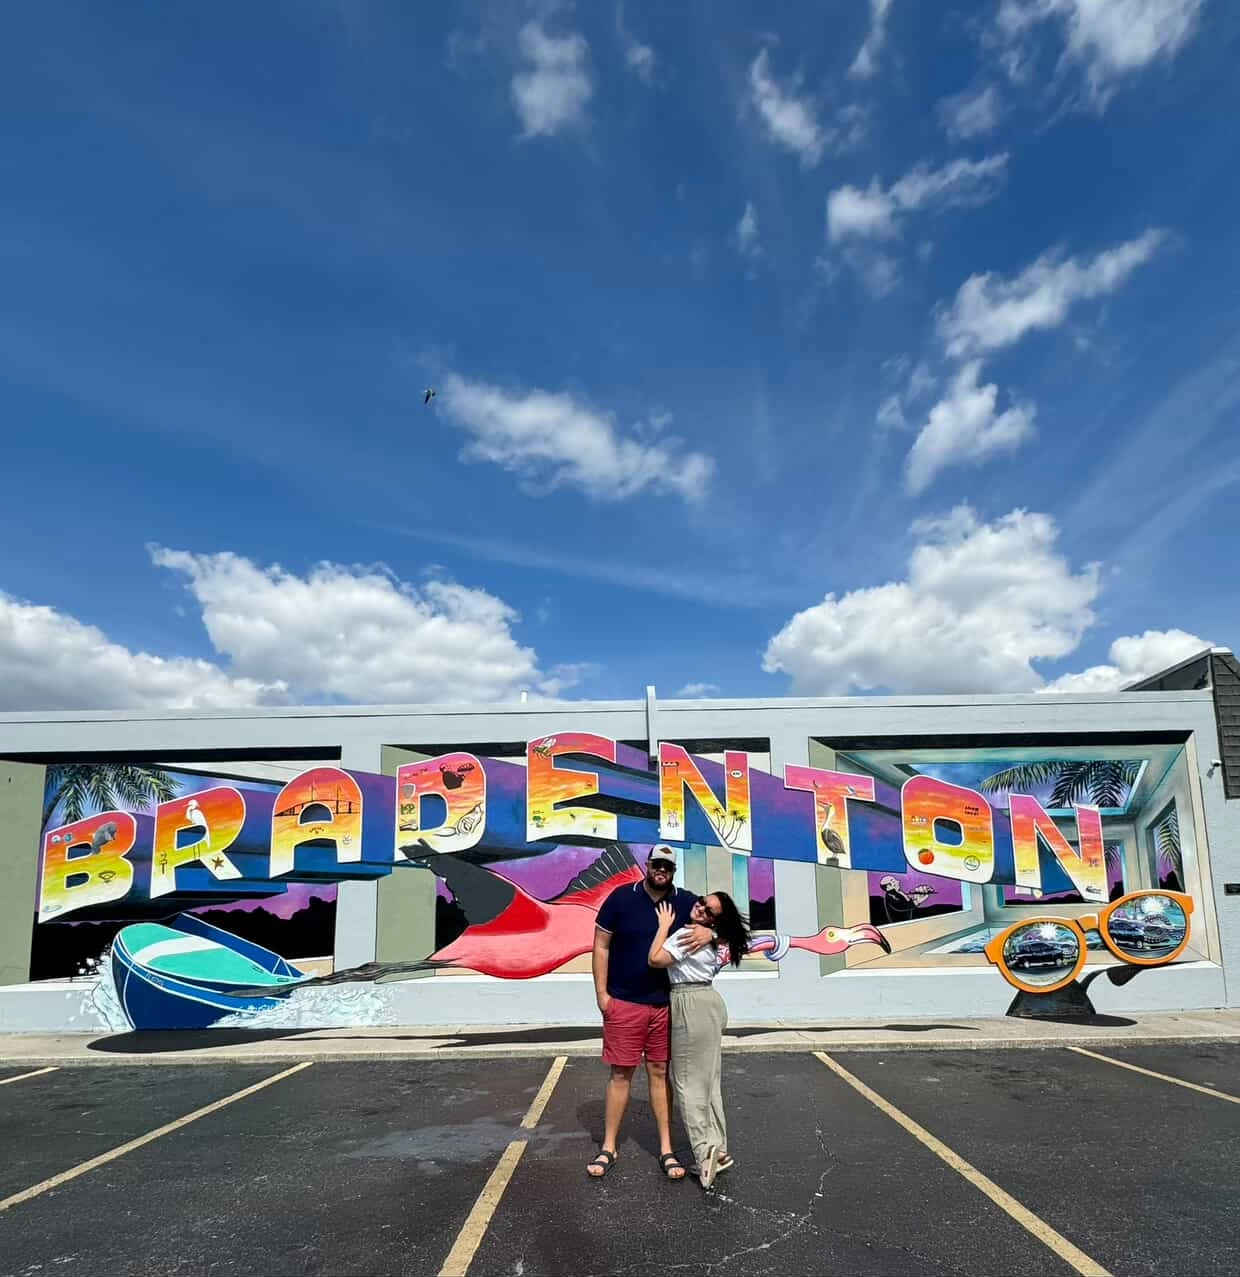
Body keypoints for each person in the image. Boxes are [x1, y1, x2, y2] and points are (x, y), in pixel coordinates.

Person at [587, 846, 713, 1180]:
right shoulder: (620, 898)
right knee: (620, 1074)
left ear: (673, 871)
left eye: (668, 867)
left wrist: (711, 931)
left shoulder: (686, 901)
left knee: (660, 1073)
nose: (662, 871)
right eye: (657, 864)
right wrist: (602, 995)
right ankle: (608, 1146)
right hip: (624, 1002)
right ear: (647, 865)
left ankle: (667, 1150)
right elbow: (601, 945)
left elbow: (721, 915)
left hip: (665, 1004)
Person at [649, 890, 749, 1190]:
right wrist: (715, 933)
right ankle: (718, 1150)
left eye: (710, 911)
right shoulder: (707, 933)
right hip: (707, 999)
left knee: (688, 1082)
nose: (701, 908)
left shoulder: (688, 932)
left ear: (716, 920)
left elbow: (655, 960)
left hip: (690, 1001)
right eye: (703, 902)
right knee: (708, 1082)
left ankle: (704, 1153)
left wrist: (664, 926)